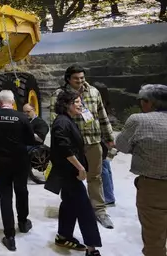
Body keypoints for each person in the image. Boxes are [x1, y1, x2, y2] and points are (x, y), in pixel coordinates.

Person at [49, 65, 115, 229]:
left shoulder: (93, 92)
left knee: (95, 177)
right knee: (71, 179)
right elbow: (54, 120)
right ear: (68, 79)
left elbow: (102, 115)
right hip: (73, 146)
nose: (80, 81)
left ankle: (99, 211)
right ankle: (72, 209)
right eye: (76, 78)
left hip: (93, 142)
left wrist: (109, 137)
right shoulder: (59, 95)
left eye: (82, 77)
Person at [47, 90, 103, 256]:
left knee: (69, 204)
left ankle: (63, 236)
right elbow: (65, 148)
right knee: (85, 209)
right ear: (67, 104)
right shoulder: (62, 122)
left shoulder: (67, 120)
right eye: (77, 102)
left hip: (68, 173)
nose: (81, 105)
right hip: (69, 173)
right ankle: (92, 248)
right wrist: (80, 168)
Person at [115, 84, 167, 256]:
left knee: (154, 240)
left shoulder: (138, 120)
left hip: (153, 188)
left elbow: (121, 146)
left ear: (150, 102)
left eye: (141, 101)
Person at [0, 90, 37, 251]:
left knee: (5, 196)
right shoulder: (22, 117)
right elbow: (30, 140)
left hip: (0, 162)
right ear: (13, 102)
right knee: (22, 191)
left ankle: (9, 236)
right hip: (20, 161)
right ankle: (23, 222)